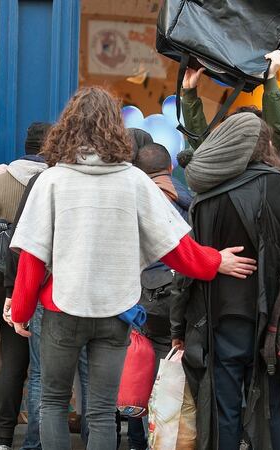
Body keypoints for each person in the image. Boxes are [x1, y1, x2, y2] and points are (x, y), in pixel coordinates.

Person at [7, 87, 255, 450]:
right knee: (103, 411)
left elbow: (32, 257)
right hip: (115, 311)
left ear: (67, 128)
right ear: (115, 128)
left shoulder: (52, 181)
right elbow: (177, 249)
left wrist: (21, 310)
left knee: (54, 402)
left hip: (61, 307)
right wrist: (218, 260)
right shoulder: (135, 181)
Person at [176, 113, 280, 450]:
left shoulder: (207, 198)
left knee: (225, 409)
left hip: (221, 318)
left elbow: (188, 266)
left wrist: (177, 328)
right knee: (274, 406)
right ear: (266, 146)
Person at [0, 121, 52, 450]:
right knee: (46, 370)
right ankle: (43, 436)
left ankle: (5, 438)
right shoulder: (56, 182)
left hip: (12, 281)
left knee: (13, 363)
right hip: (48, 285)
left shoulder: (1, 180)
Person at [125, 142, 190, 450]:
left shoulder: (138, 198)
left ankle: (139, 441)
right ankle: (167, 440)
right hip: (178, 297)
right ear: (171, 169)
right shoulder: (188, 198)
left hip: (144, 299)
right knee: (173, 375)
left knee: (140, 373)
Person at [180, 50, 280, 150]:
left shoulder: (223, 166)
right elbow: (278, 139)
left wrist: (189, 93)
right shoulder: (269, 166)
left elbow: (204, 148)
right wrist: (270, 77)